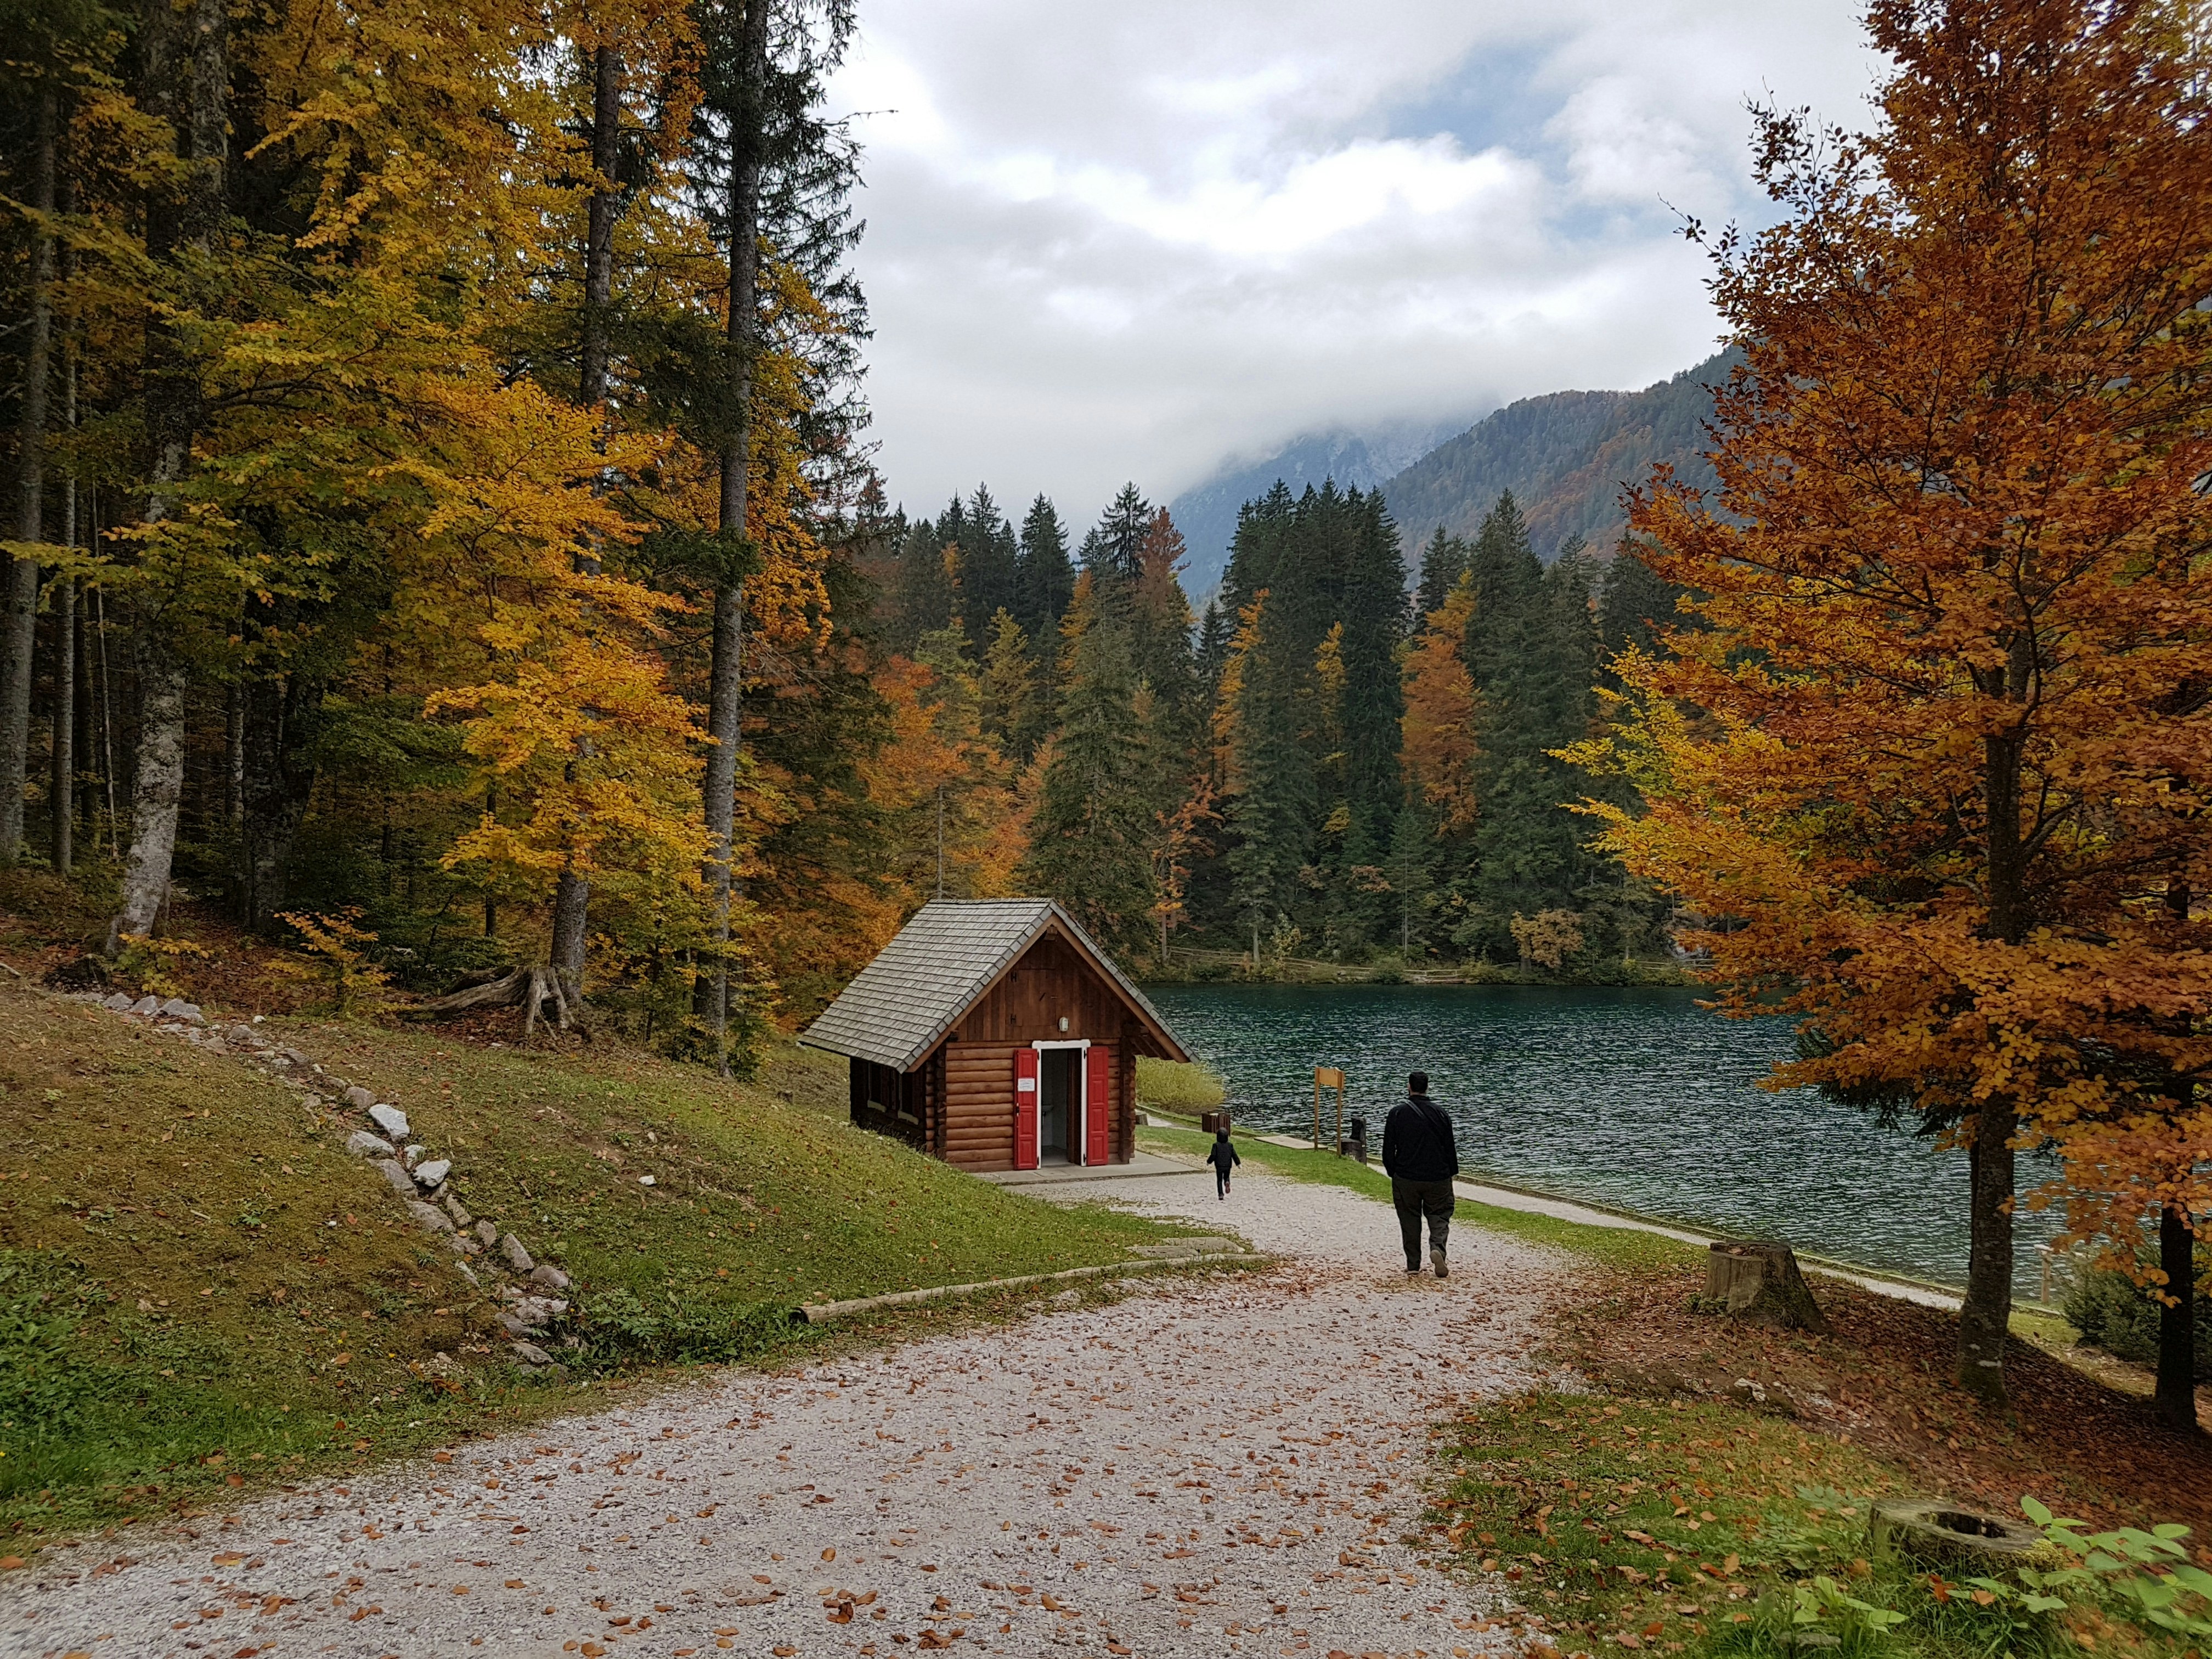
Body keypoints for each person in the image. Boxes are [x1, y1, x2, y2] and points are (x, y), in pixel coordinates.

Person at [1382, 1071, 1458, 1277]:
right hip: (1437, 1177)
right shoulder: (1441, 1114)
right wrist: (1452, 1172)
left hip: (1406, 1176)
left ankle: (1413, 1264)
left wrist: (1393, 1171)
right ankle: (1438, 1249)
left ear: (1409, 1086)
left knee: (1409, 1219)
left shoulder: (1397, 1114)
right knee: (1440, 1215)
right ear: (1427, 1088)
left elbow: (1388, 1148)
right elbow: (1449, 1148)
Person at [1205, 1127, 1240, 1199]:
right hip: (1228, 1165)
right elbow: (1234, 1155)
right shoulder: (1230, 1146)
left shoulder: (1216, 1145)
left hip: (1219, 1166)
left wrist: (1209, 1162)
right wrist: (1238, 1164)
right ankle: (1227, 1182)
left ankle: (1221, 1194)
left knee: (1219, 1180)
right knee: (1227, 1176)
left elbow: (1213, 1155)